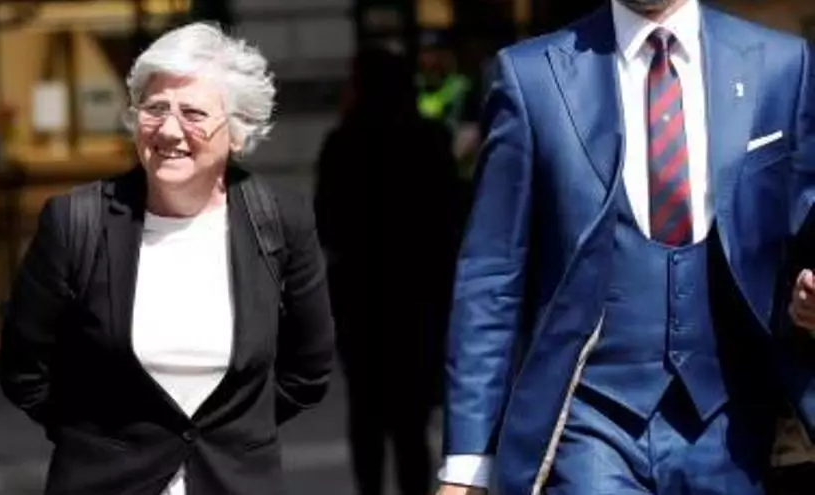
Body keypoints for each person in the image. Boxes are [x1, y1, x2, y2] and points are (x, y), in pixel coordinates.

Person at [437, 0, 815, 494]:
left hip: (735, 426)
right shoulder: (532, 77)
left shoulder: (781, 65)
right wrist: (467, 466)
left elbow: (804, 223)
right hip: (589, 424)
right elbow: (492, 274)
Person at [0, 22, 334, 495]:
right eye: (156, 109)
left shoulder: (280, 220)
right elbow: (24, 370)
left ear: (237, 132)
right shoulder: (75, 220)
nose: (170, 130)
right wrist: (98, 440)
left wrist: (232, 435)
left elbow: (308, 371)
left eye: (193, 113)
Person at [315, 47, 461, 495]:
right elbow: (451, 219)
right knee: (411, 420)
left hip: (360, 298)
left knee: (366, 414)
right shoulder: (428, 139)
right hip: (417, 297)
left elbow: (326, 220)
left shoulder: (343, 143)